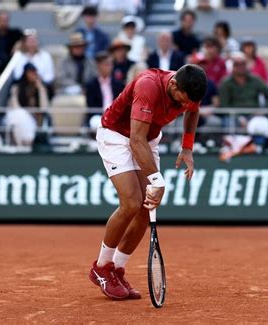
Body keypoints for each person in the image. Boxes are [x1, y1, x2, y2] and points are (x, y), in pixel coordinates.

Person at [89, 64, 207, 300]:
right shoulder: (148, 86)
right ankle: (101, 267)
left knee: (147, 208)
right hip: (118, 136)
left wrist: (187, 147)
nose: (184, 105)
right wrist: (157, 179)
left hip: (147, 139)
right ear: (173, 84)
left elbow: (193, 111)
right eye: (181, 100)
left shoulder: (188, 91)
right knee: (132, 202)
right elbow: (135, 140)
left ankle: (117, 269)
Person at [9, 63, 49, 129]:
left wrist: (40, 89)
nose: (33, 75)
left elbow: (44, 107)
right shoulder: (17, 87)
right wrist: (25, 116)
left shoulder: (40, 87)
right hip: (22, 118)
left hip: (37, 118)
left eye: (34, 73)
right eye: (30, 73)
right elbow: (15, 106)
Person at [85, 52, 124, 118]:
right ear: (99, 65)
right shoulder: (91, 85)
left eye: (111, 64)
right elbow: (91, 106)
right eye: (107, 64)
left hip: (115, 116)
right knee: (95, 122)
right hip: (98, 116)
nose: (110, 67)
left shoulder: (118, 84)